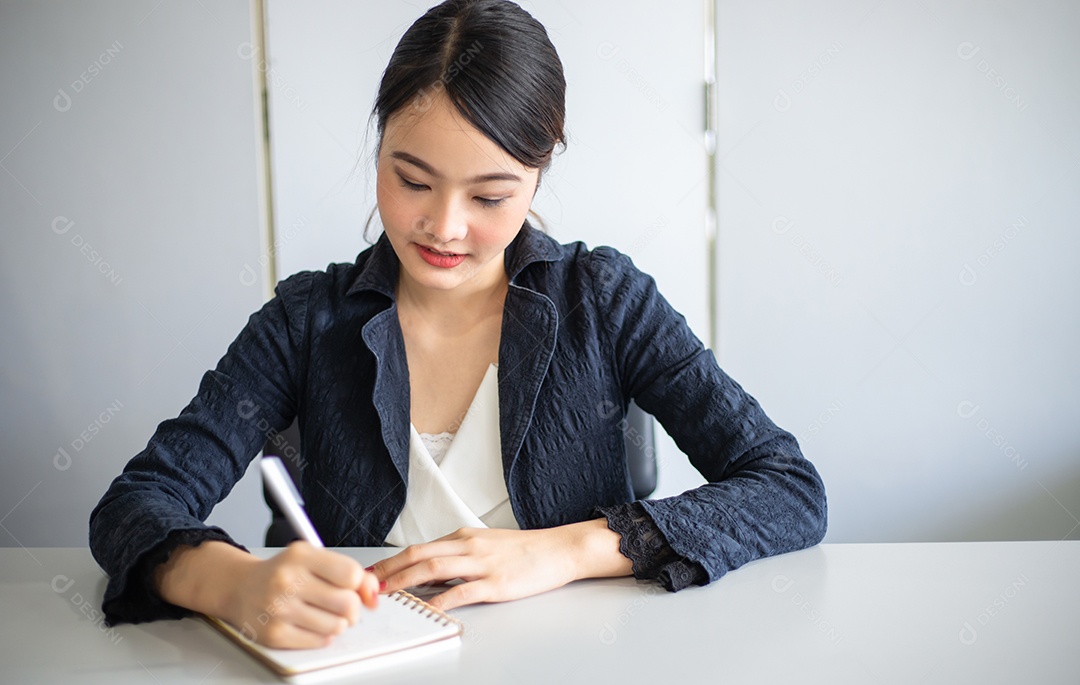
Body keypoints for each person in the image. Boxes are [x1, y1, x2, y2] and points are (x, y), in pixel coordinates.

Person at [89, 0, 827, 650]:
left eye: (490, 196)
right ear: (377, 146)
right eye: (412, 181)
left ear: (539, 174)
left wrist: (562, 551)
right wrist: (230, 581)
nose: (444, 227)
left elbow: (787, 487)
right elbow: (136, 502)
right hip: (350, 662)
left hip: (583, 661)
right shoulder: (306, 318)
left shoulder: (604, 299)